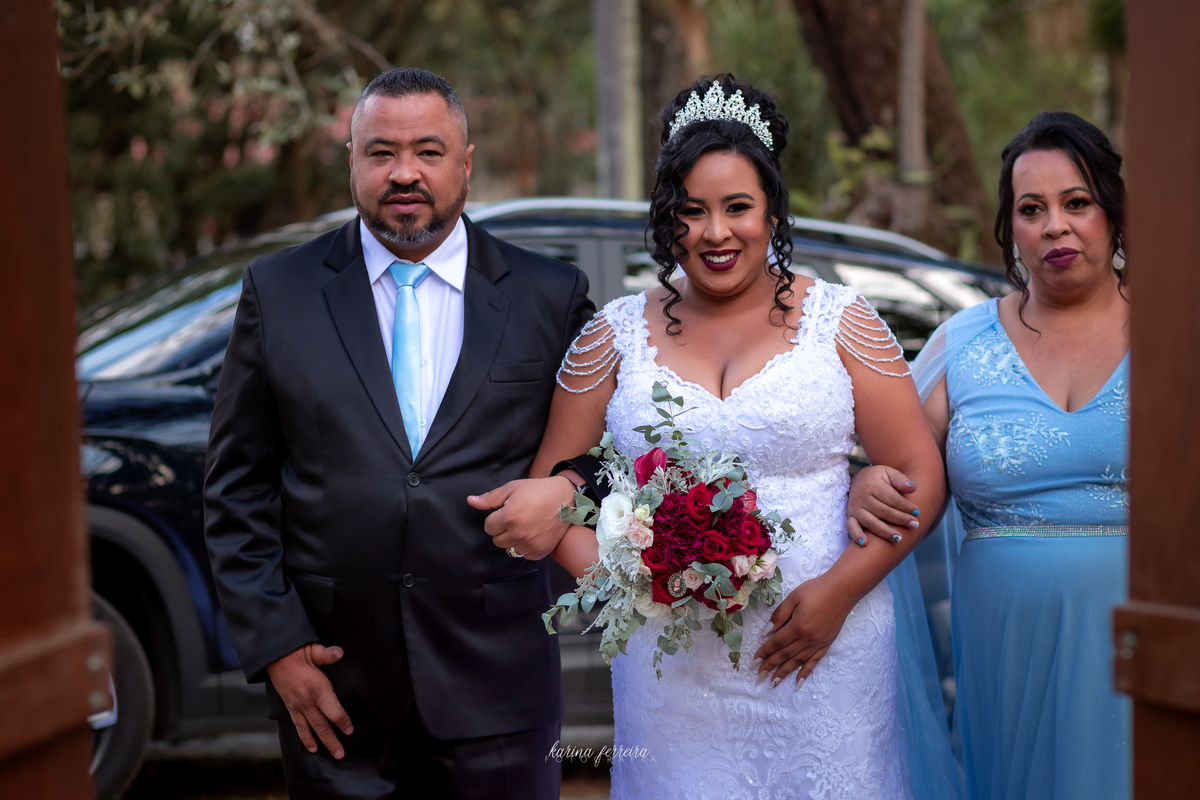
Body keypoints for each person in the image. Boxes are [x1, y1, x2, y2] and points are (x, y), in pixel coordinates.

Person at [511, 74, 951, 798]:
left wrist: (838, 593)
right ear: (667, 219)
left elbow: (919, 476)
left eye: (737, 207)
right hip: (671, 668)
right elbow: (551, 492)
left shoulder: (842, 321)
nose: (715, 232)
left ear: (772, 210)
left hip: (825, 644)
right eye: (691, 211)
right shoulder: (613, 335)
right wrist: (628, 590)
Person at [202, 67, 593, 799]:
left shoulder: (550, 295)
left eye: (428, 152)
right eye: (381, 152)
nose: (404, 173)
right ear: (351, 160)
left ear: (466, 163)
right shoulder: (279, 293)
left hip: (499, 684)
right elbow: (236, 490)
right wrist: (278, 647)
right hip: (332, 694)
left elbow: (609, 453)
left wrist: (569, 490)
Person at [848, 111, 1131, 800]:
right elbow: (900, 473)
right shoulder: (964, 343)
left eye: (1077, 202)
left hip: (1136, 639)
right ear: (1010, 228)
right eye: (1031, 209)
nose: (1055, 227)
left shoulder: (1177, 330)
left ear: (1113, 213)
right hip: (1003, 641)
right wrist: (868, 484)